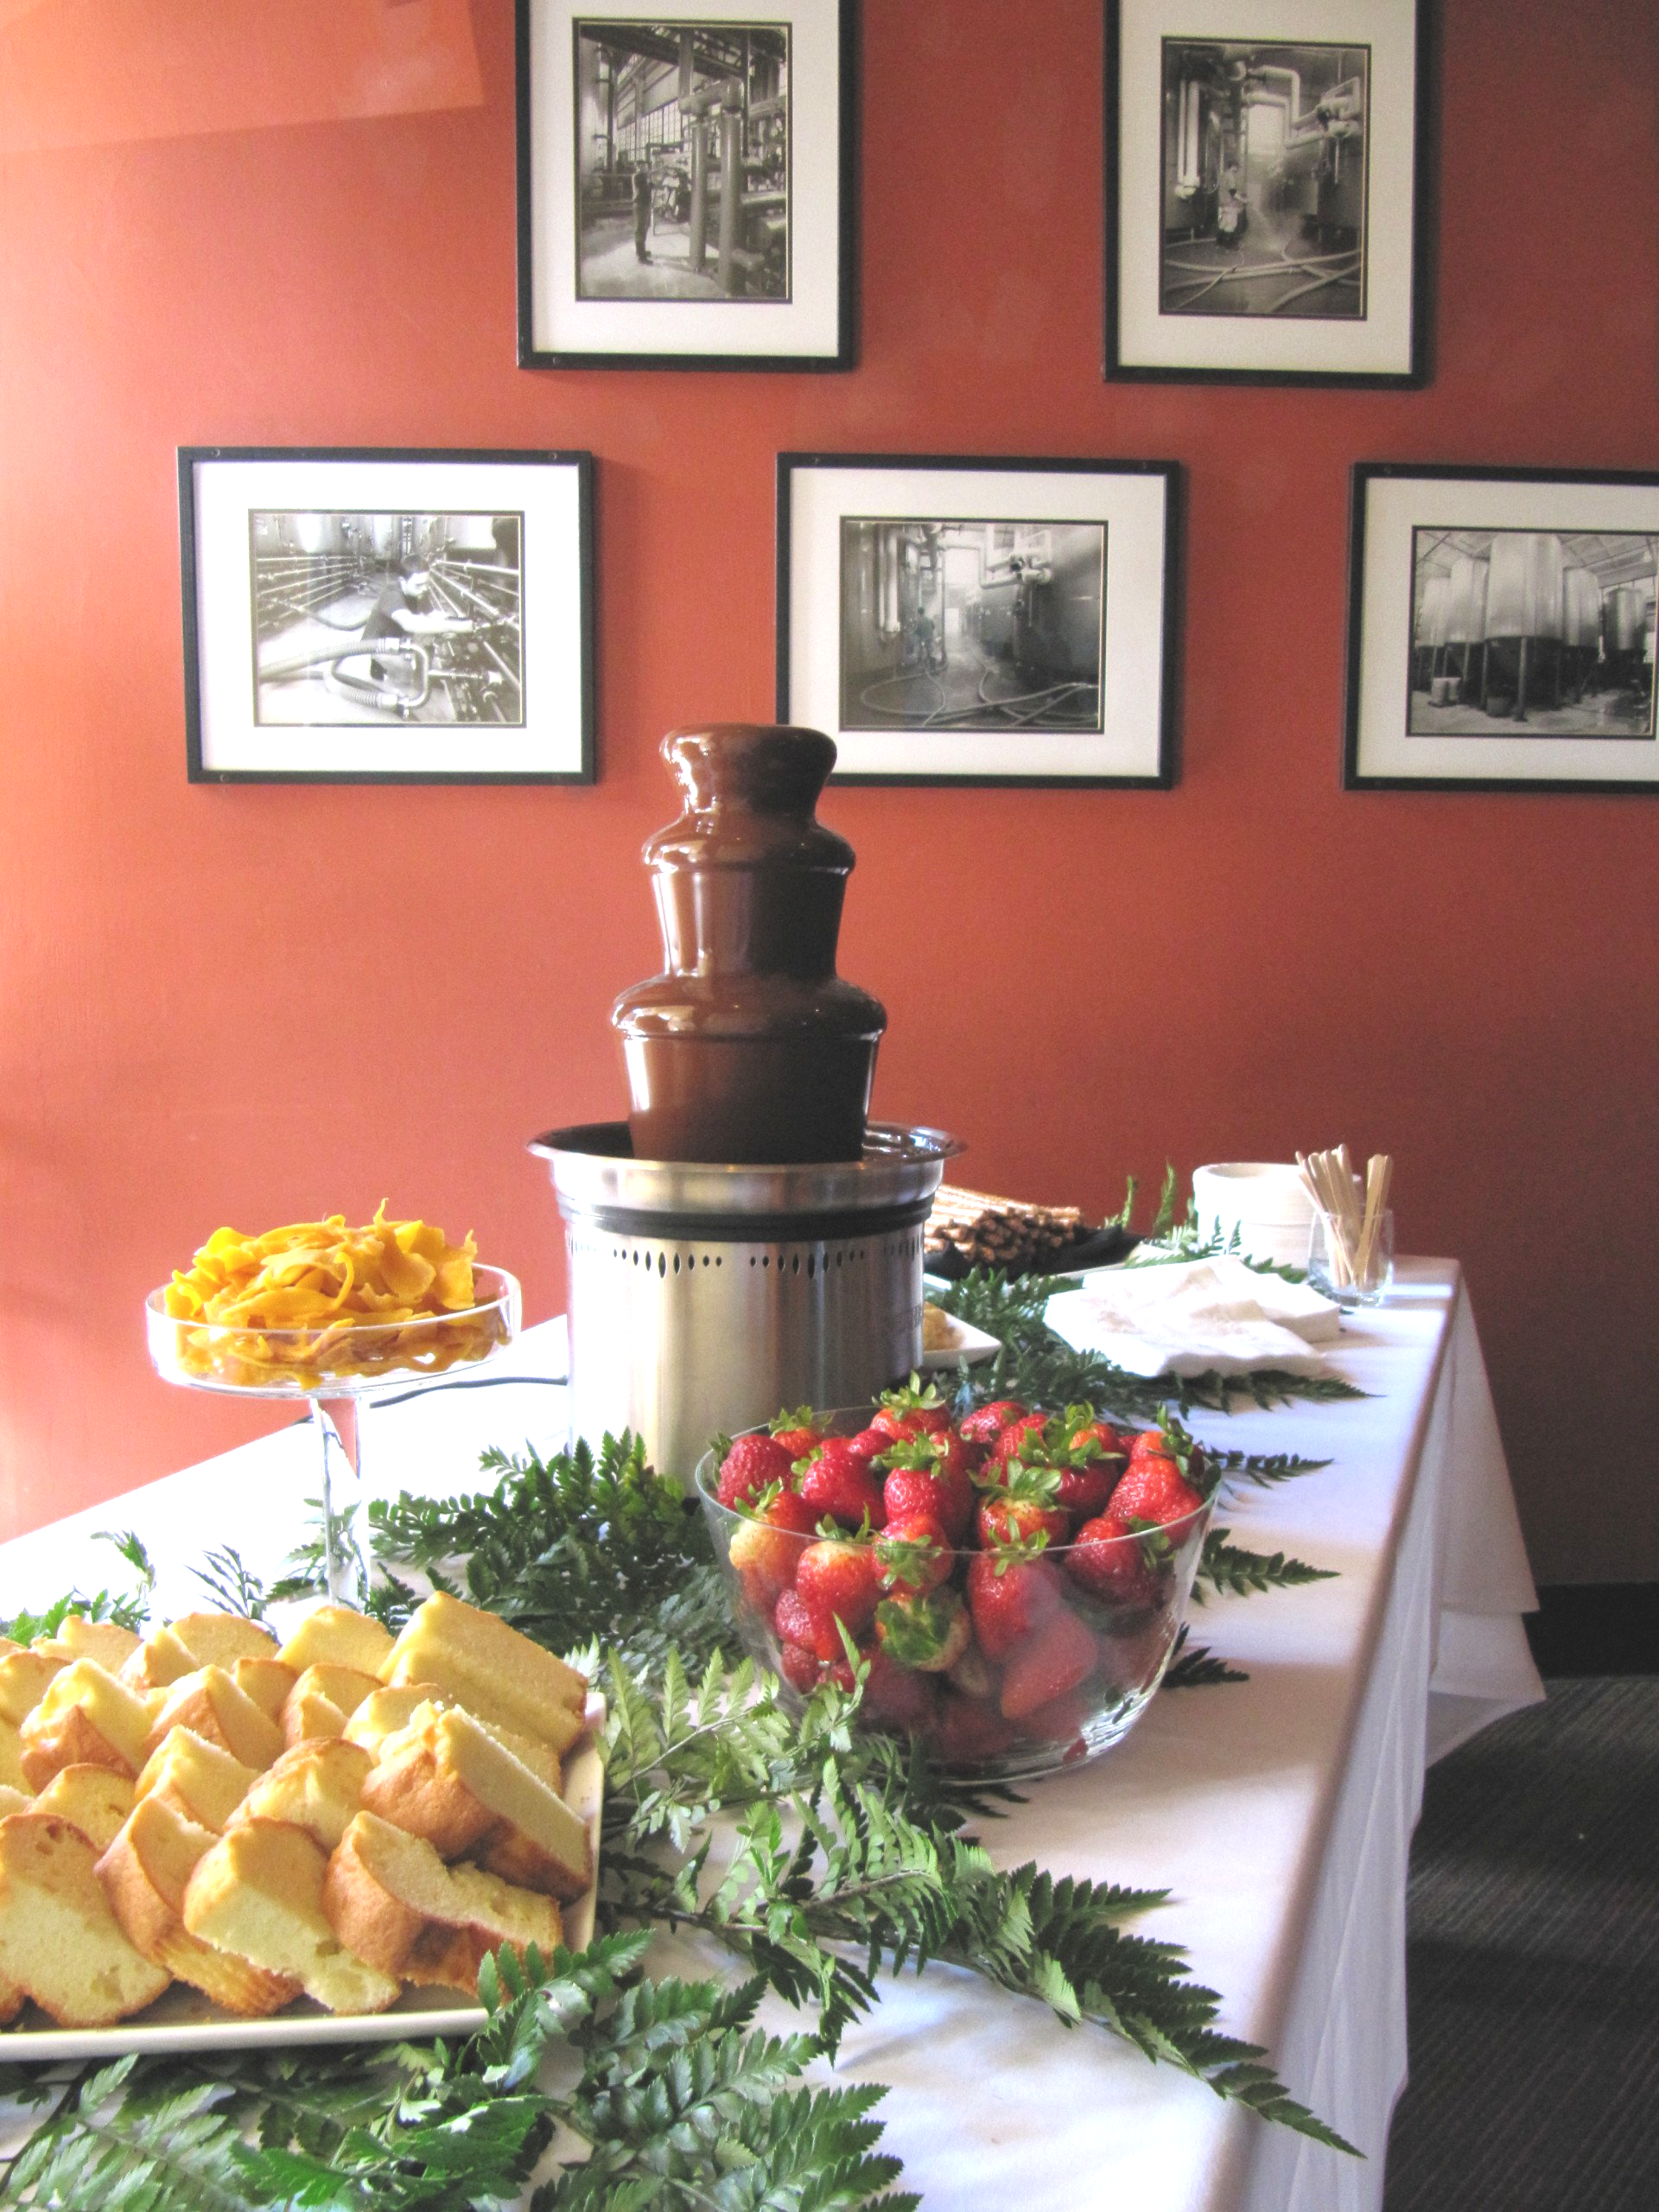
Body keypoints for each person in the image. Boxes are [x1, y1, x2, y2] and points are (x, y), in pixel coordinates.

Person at [632, 160, 652, 264]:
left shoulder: (643, 177)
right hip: (640, 205)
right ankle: (642, 257)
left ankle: (639, 251)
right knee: (640, 230)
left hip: (645, 205)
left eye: (646, 166)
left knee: (644, 228)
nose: (646, 167)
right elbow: (647, 175)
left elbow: (650, 186)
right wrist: (663, 169)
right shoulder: (638, 176)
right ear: (638, 166)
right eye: (644, 166)